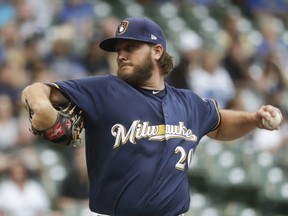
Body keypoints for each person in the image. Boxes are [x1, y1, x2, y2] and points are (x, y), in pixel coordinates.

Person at [21, 17, 283, 216]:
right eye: (119, 49)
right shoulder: (105, 89)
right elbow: (35, 90)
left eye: (131, 47)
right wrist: (43, 108)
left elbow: (219, 124)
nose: (121, 54)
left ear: (157, 51)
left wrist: (253, 119)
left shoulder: (188, 103)